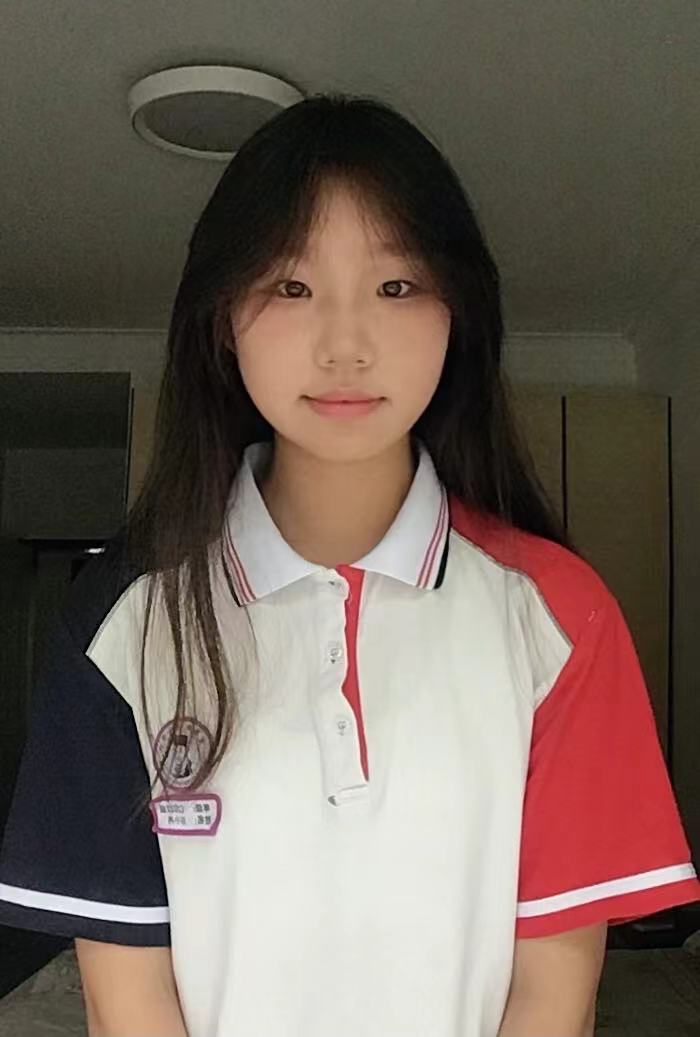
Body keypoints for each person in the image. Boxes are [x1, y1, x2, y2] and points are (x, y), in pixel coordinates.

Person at [0, 91, 698, 1037]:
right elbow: (129, 1004)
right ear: (221, 317)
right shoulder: (124, 619)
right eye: (290, 287)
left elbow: (551, 996)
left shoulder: (558, 614)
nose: (344, 345)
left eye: (397, 286)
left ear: (458, 313)